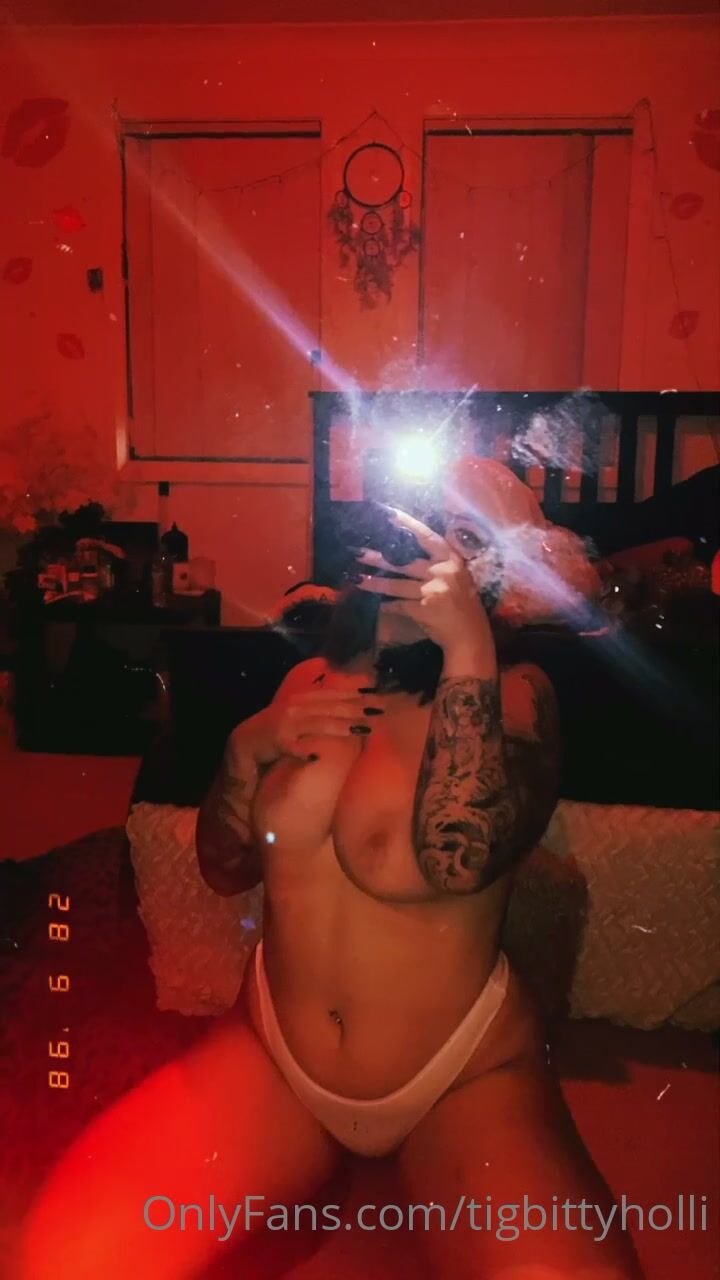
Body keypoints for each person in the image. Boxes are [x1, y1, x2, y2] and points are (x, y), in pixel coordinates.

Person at [18, 462, 638, 1280]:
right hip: (275, 1052)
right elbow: (225, 870)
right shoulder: (309, 682)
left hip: (461, 1073)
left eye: (463, 536)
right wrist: (244, 752)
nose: (425, 551)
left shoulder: (517, 695)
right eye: (414, 523)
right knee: (64, 1259)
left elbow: (460, 859)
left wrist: (468, 649)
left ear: (499, 576)